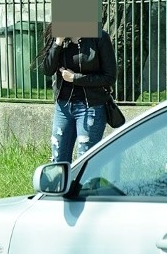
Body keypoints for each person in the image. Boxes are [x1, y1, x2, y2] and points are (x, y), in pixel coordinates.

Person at [40, 23, 117, 163]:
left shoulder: (99, 37)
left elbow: (109, 77)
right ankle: (62, 185)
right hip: (63, 107)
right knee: (58, 160)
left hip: (91, 107)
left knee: (85, 161)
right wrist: (58, 42)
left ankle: (85, 186)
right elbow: (47, 70)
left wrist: (75, 78)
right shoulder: (58, 36)